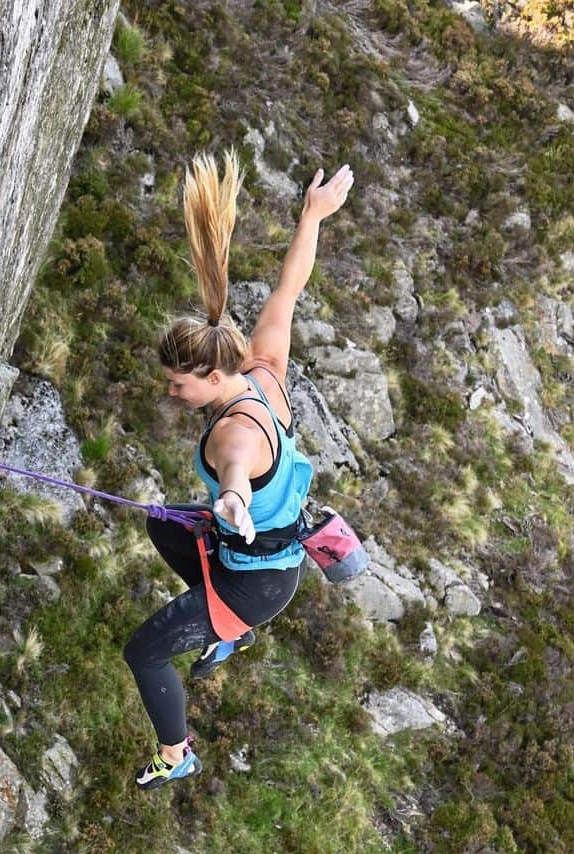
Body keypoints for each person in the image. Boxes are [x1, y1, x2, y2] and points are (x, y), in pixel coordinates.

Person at [125, 151, 354, 789]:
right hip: (260, 556)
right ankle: (227, 632)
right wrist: (312, 217)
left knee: (142, 652)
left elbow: (235, 468)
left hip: (255, 584)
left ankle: (176, 753)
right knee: (163, 522)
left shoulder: (235, 438)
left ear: (214, 376)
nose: (171, 394)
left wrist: (232, 500)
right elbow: (288, 292)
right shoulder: (262, 374)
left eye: (178, 385)